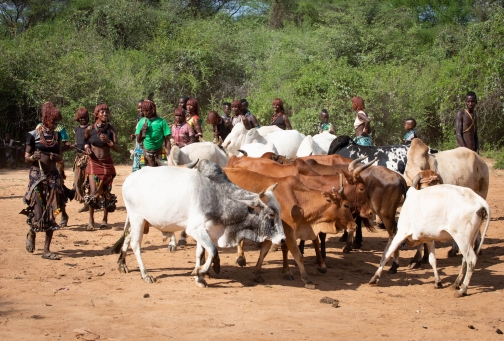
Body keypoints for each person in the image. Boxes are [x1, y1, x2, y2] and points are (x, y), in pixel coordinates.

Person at [22, 102, 66, 260]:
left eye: (57, 122)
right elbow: (26, 157)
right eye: (53, 121)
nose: (55, 125)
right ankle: (32, 231)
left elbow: (61, 156)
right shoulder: (33, 135)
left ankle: (46, 250)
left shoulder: (56, 136)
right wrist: (33, 157)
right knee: (37, 210)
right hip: (37, 176)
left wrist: (57, 157)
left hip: (53, 176)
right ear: (46, 119)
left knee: (52, 211)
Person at [83, 104, 119, 231]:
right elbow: (85, 141)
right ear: (96, 114)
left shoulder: (111, 129)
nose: (105, 114)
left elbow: (118, 148)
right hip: (93, 163)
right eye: (102, 112)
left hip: (107, 164)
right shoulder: (90, 129)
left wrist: (108, 141)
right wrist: (87, 148)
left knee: (106, 192)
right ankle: (91, 220)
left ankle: (104, 220)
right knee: (93, 192)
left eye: (106, 112)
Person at [136, 99, 171, 166]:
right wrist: (141, 131)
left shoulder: (162, 122)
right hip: (146, 154)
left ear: (153, 110)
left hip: (159, 153)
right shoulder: (141, 122)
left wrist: (169, 155)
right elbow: (138, 140)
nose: (144, 113)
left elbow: (167, 140)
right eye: (143, 111)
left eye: (147, 111)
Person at [73, 108, 91, 213]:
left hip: (87, 158)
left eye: (85, 117)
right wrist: (73, 146)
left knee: (87, 181)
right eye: (81, 118)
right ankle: (85, 202)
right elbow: (78, 142)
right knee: (78, 181)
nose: (83, 119)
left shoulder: (90, 128)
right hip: (79, 158)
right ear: (78, 118)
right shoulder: (77, 129)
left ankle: (89, 203)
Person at [131, 100, 145, 172]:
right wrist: (134, 135)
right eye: (138, 108)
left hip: (144, 147)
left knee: (143, 168)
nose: (140, 109)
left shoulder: (147, 119)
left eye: (141, 107)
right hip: (138, 147)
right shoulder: (138, 118)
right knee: (136, 169)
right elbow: (137, 132)